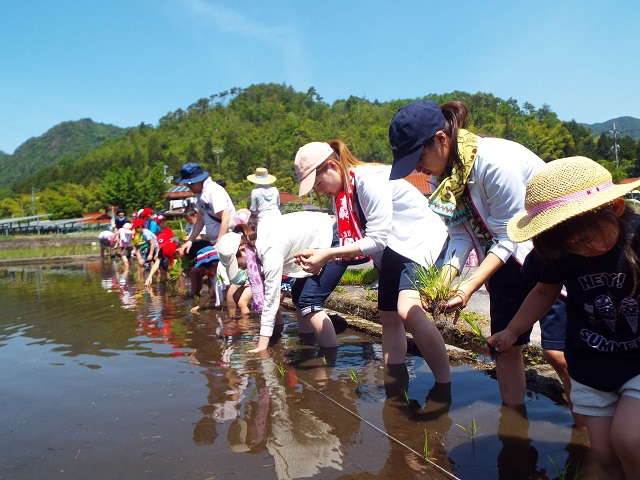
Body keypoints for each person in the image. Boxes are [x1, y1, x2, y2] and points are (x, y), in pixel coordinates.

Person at [388, 100, 571, 408]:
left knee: (558, 353)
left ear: (442, 139)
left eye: (417, 157)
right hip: (501, 263)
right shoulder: (442, 177)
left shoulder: (495, 163)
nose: (417, 168)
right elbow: (459, 234)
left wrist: (468, 287)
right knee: (503, 346)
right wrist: (444, 282)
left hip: (544, 253)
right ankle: (514, 423)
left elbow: (509, 236)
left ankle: (589, 428)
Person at [488, 157, 640, 479]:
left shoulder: (636, 240)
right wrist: (513, 330)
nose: (578, 251)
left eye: (585, 242)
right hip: (590, 363)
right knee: (602, 451)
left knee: (630, 438)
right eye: (568, 245)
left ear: (613, 208)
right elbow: (544, 292)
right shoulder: (561, 249)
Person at [293, 140, 451, 386]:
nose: (320, 191)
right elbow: (355, 243)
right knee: (388, 317)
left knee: (407, 309)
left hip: (420, 242)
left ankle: (444, 385)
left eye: (319, 183)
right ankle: (394, 380)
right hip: (393, 250)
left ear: (332, 166)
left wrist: (326, 254)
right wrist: (319, 258)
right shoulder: (341, 197)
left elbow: (376, 238)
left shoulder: (368, 180)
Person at [217, 211, 336, 353]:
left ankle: (330, 356)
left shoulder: (268, 249)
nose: (242, 268)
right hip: (320, 237)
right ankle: (307, 343)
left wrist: (262, 345)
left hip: (332, 238)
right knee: (298, 295)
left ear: (242, 249)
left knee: (309, 300)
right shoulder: (258, 239)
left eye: (239, 264)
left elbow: (271, 298)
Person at [176, 163, 235, 255]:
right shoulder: (201, 195)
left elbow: (225, 217)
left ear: (198, 181)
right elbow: (200, 219)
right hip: (215, 241)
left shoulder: (213, 191)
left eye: (190, 184)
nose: (188, 187)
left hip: (226, 240)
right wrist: (190, 240)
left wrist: (219, 243)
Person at [189, 246, 221, 313]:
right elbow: (210, 291)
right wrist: (199, 306)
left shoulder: (222, 271)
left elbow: (211, 291)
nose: (206, 271)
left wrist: (199, 306)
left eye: (207, 268)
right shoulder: (216, 273)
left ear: (214, 264)